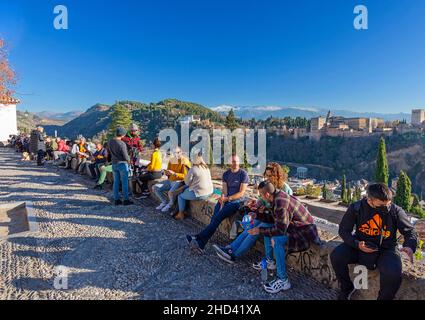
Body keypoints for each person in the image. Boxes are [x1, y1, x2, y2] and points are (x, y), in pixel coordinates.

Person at [330, 183, 417, 301]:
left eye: (388, 204)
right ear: (369, 200)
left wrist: (410, 246)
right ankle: (346, 288)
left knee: (393, 274)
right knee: (336, 255)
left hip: (386, 248)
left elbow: (410, 231)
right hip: (360, 244)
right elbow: (344, 230)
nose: (386, 207)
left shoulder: (396, 211)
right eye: (381, 205)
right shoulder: (356, 208)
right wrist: (356, 244)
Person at [246, 181, 320, 294]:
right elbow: (274, 219)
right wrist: (257, 215)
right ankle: (270, 262)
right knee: (267, 232)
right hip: (293, 226)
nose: (260, 197)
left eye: (261, 194)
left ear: (266, 195)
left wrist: (258, 230)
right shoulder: (276, 196)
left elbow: (280, 230)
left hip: (303, 231)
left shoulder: (280, 203)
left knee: (276, 240)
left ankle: (283, 280)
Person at [186, 154, 249, 254]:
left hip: (236, 203)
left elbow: (241, 192)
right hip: (225, 200)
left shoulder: (243, 174)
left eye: (237, 161)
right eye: (233, 162)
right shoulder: (226, 174)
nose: (235, 164)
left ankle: (198, 238)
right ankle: (200, 244)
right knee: (214, 220)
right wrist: (223, 198)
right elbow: (224, 190)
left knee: (216, 219)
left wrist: (228, 198)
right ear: (229, 163)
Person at [175, 154, 214, 221]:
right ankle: (183, 211)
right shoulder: (206, 168)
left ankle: (180, 214)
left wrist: (187, 174)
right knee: (187, 190)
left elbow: (187, 183)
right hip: (210, 191)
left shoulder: (193, 169)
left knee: (180, 196)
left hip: (200, 194)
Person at [153, 146, 191, 213]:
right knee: (155, 187)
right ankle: (164, 202)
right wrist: (166, 172)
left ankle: (170, 204)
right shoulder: (172, 160)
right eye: (174, 152)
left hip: (179, 181)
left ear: (181, 152)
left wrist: (175, 174)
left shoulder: (185, 161)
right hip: (170, 180)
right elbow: (168, 171)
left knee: (171, 192)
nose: (176, 154)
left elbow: (186, 176)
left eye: (178, 152)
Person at [109, 127, 133, 206]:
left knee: (116, 182)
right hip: (122, 164)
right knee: (124, 183)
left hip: (114, 164)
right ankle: (126, 200)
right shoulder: (122, 143)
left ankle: (116, 199)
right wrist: (129, 161)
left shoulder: (110, 142)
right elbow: (126, 156)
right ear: (123, 134)